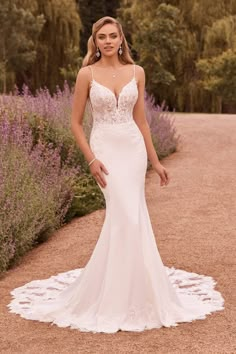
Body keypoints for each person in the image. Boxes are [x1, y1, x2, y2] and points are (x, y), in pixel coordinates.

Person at [7, 16, 224, 333]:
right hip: (105, 149)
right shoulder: (86, 74)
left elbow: (143, 122)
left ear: (122, 39)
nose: (107, 41)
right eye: (101, 37)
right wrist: (91, 159)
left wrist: (156, 162)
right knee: (124, 216)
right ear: (94, 42)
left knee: (132, 217)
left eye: (112, 36)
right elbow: (76, 124)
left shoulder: (137, 72)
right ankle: (112, 296)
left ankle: (135, 293)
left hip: (132, 151)